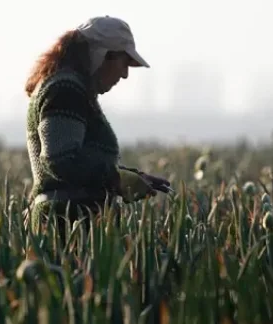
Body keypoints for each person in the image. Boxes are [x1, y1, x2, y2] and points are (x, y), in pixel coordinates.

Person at [24, 15, 172, 239]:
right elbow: (61, 159)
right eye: (124, 63)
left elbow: (81, 157)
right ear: (103, 56)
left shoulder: (72, 88)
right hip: (67, 226)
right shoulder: (65, 89)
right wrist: (115, 178)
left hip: (74, 222)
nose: (124, 74)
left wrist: (132, 176)